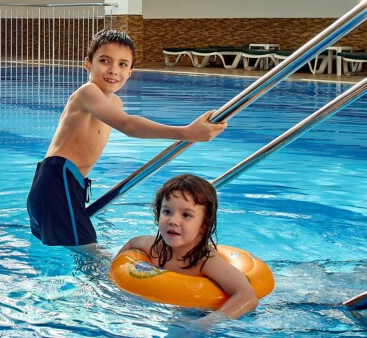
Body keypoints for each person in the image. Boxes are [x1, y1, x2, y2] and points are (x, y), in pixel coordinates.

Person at [26, 29, 226, 249]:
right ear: (88, 64)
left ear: (130, 72)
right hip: (57, 180)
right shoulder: (88, 92)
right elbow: (128, 125)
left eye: (122, 64)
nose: (113, 70)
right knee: (89, 254)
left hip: (66, 184)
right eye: (104, 61)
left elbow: (129, 123)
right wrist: (186, 132)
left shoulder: (114, 103)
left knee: (69, 251)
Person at [117, 174, 258, 322]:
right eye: (167, 212)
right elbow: (132, 243)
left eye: (186, 215)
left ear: (204, 224)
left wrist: (206, 323)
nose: (173, 221)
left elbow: (247, 296)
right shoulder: (154, 248)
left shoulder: (204, 260)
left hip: (197, 312)